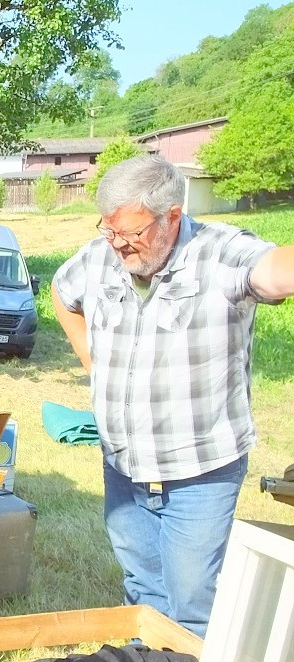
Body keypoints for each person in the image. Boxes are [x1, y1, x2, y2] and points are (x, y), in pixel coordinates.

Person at [52, 155, 294, 637]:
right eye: (109, 230)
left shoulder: (220, 251)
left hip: (200, 471)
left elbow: (274, 273)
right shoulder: (101, 256)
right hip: (123, 464)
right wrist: (93, 364)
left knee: (190, 600)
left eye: (132, 233)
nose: (119, 245)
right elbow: (63, 291)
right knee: (142, 589)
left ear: (173, 216)